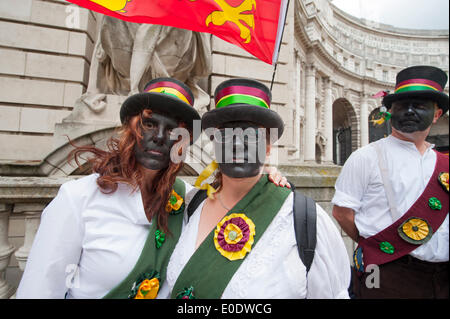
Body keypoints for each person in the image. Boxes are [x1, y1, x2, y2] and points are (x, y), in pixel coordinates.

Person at [16, 77, 287, 299]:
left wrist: (266, 174)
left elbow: (228, 190)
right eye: (149, 123)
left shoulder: (187, 201)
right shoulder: (78, 199)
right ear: (131, 127)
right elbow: (38, 291)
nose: (158, 137)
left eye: (172, 130)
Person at [158, 78, 350, 299]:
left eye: (251, 134)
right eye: (227, 134)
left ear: (268, 147)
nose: (238, 144)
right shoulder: (190, 205)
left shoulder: (304, 219)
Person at [332, 65, 449, 299]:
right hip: (387, 272)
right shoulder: (365, 157)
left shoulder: (443, 163)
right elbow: (342, 212)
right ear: (390, 111)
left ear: (436, 115)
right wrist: (383, 246)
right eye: (402, 105)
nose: (409, 111)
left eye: (419, 106)